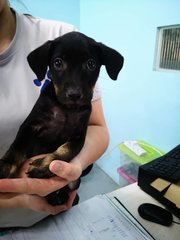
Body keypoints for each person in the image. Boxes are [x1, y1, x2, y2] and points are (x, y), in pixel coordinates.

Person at [0, 0, 109, 228]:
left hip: (57, 213)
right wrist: (17, 198)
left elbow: (95, 129)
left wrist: (72, 166)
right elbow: (28, 130)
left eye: (90, 65)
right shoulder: (47, 96)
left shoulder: (62, 34)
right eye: (59, 64)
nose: (74, 90)